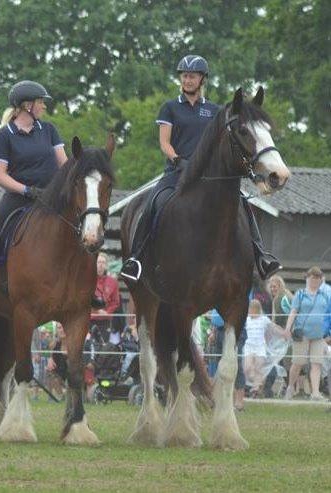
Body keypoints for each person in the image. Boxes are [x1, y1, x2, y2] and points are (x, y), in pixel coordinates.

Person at [120, 55, 280, 282]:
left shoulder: (214, 111)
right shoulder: (170, 108)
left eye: (192, 76)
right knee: (155, 201)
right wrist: (177, 159)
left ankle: (261, 255)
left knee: (242, 202)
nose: (187, 80)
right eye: (184, 76)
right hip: (177, 172)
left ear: (202, 79)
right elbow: (164, 142)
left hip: (207, 175)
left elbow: (220, 143)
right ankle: (136, 258)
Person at [0, 80, 67, 304]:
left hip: (51, 197)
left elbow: (64, 164)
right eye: (41, 102)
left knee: (83, 230)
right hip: (19, 197)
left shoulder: (49, 130)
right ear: (27, 105)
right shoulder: (4, 135)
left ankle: (86, 288)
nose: (44, 107)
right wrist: (27, 190)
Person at [284, 266, 330, 401]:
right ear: (307, 278)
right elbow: (293, 312)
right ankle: (290, 387)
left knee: (317, 363)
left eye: (317, 278)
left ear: (321, 279)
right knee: (298, 362)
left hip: (319, 335)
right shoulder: (300, 294)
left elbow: (328, 315)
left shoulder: (325, 296)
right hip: (302, 333)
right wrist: (287, 328)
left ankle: (315, 393)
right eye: (312, 277)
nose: (315, 280)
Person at [91, 253, 121, 344]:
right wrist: (96, 311)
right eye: (99, 262)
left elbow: (115, 302)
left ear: (106, 265)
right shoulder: (88, 279)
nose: (100, 264)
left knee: (103, 346)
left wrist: (107, 312)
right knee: (89, 346)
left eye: (103, 262)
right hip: (89, 319)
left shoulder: (113, 282)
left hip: (105, 320)